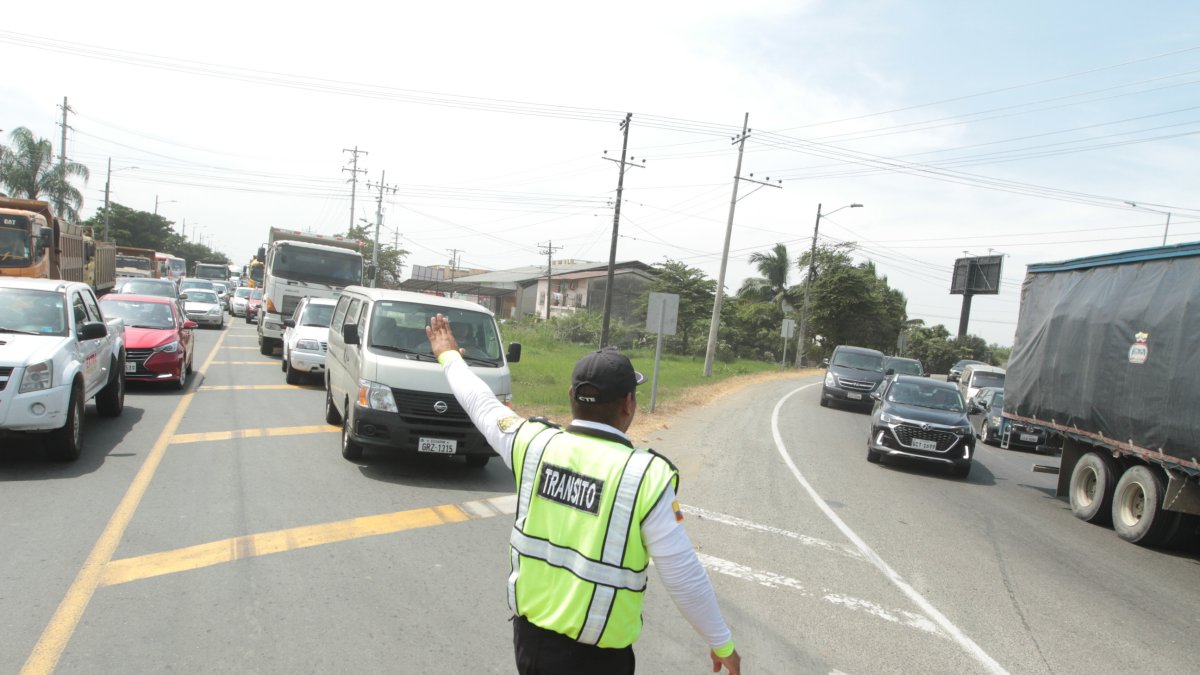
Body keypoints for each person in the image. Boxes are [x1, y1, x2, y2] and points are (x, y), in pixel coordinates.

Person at [426, 314, 742, 675]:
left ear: (571, 397)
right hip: (598, 660)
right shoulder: (645, 477)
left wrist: (448, 354)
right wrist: (723, 644)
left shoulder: (532, 443)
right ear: (628, 404)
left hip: (531, 646)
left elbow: (481, 403)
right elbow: (683, 574)